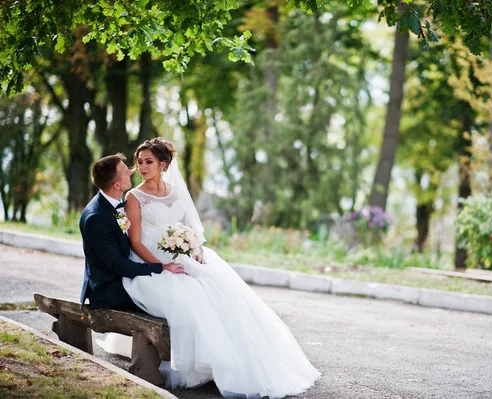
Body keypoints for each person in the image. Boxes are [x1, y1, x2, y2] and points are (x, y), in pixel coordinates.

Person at [110, 138, 319, 398]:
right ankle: (205, 364)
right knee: (189, 296)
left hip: (181, 255)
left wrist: (195, 249)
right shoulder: (134, 197)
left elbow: (191, 229)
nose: (142, 167)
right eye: (139, 162)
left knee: (221, 288)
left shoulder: (176, 191)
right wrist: (162, 266)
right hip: (150, 264)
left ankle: (239, 361)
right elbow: (136, 242)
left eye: (149, 162)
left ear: (163, 164)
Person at [79, 153, 186, 310]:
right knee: (171, 298)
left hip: (124, 276)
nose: (131, 171)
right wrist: (161, 268)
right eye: (125, 172)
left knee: (181, 287)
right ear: (116, 185)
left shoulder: (116, 201)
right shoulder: (96, 218)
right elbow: (119, 265)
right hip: (109, 289)